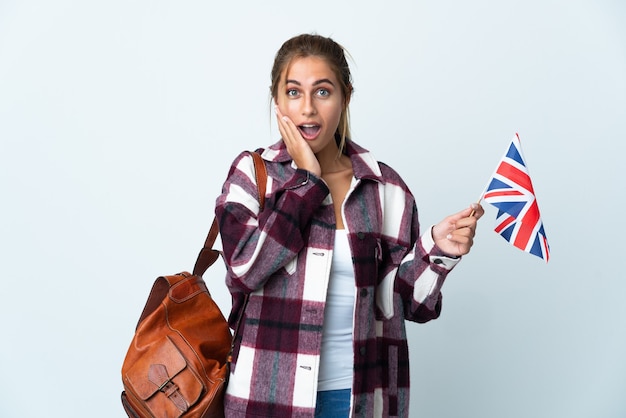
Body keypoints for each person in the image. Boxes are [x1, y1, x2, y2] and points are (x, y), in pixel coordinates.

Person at [215, 33, 484, 418]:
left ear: (346, 98)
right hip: (268, 400)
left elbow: (406, 304)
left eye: (322, 92)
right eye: (294, 92)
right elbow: (245, 270)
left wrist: (437, 251)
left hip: (360, 399)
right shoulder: (254, 175)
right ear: (277, 101)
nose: (307, 108)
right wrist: (306, 181)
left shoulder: (385, 188)